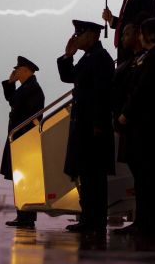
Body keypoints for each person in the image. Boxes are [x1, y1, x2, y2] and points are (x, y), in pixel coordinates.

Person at [116, 18, 155, 237]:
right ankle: (144, 221)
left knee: (150, 172)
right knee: (143, 173)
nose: (139, 36)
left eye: (142, 32)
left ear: (150, 34)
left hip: (152, 119)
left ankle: (154, 224)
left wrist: (125, 114)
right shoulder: (150, 56)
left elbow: (143, 89)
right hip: (146, 119)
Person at [58, 20, 115, 233]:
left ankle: (95, 220)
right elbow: (68, 77)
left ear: (92, 35)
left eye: (79, 35)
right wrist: (68, 56)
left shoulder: (101, 58)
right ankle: (88, 218)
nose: (76, 38)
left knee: (94, 176)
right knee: (85, 173)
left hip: (93, 126)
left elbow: (103, 94)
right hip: (83, 124)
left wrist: (99, 124)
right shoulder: (89, 57)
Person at [0, 56, 45, 228]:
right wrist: (10, 83)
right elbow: (12, 100)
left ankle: (26, 217)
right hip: (19, 139)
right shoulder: (26, 87)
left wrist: (11, 84)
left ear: (26, 70)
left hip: (25, 140)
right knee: (21, 180)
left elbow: (23, 109)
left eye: (18, 69)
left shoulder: (33, 88)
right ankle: (23, 215)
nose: (15, 72)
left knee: (25, 180)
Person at [101, 0, 155, 64]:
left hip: (137, 54)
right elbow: (127, 22)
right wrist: (111, 19)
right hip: (129, 53)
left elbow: (146, 23)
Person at [111, 23, 145, 164]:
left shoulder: (146, 59)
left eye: (126, 34)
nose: (122, 38)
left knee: (144, 167)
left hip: (137, 122)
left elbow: (140, 90)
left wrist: (125, 114)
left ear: (138, 35)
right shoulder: (131, 61)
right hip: (127, 123)